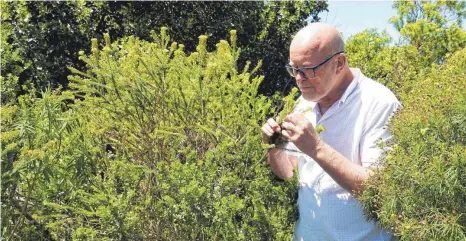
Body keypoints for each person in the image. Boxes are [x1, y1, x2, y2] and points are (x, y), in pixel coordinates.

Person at [261, 23, 401, 241]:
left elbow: (379, 189)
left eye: (308, 70)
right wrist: (274, 147)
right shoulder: (303, 104)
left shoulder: (380, 104)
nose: (299, 79)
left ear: (339, 63)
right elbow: (291, 174)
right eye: (294, 69)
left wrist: (316, 148)